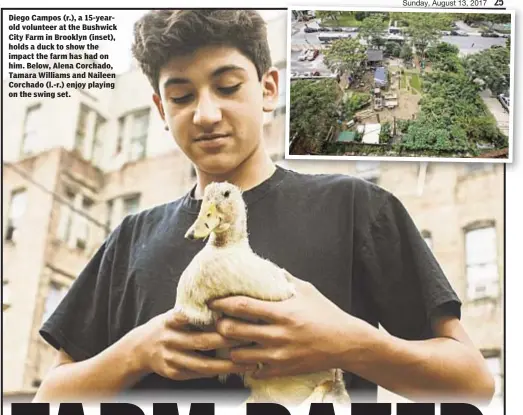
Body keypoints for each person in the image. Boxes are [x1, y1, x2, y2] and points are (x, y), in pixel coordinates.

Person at [34, 9, 495, 404]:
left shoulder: (356, 207)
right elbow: (50, 395)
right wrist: (135, 352)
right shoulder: (129, 239)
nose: (206, 114)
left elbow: (472, 382)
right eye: (181, 97)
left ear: (269, 88)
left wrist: (348, 343)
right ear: (160, 110)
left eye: (228, 86)